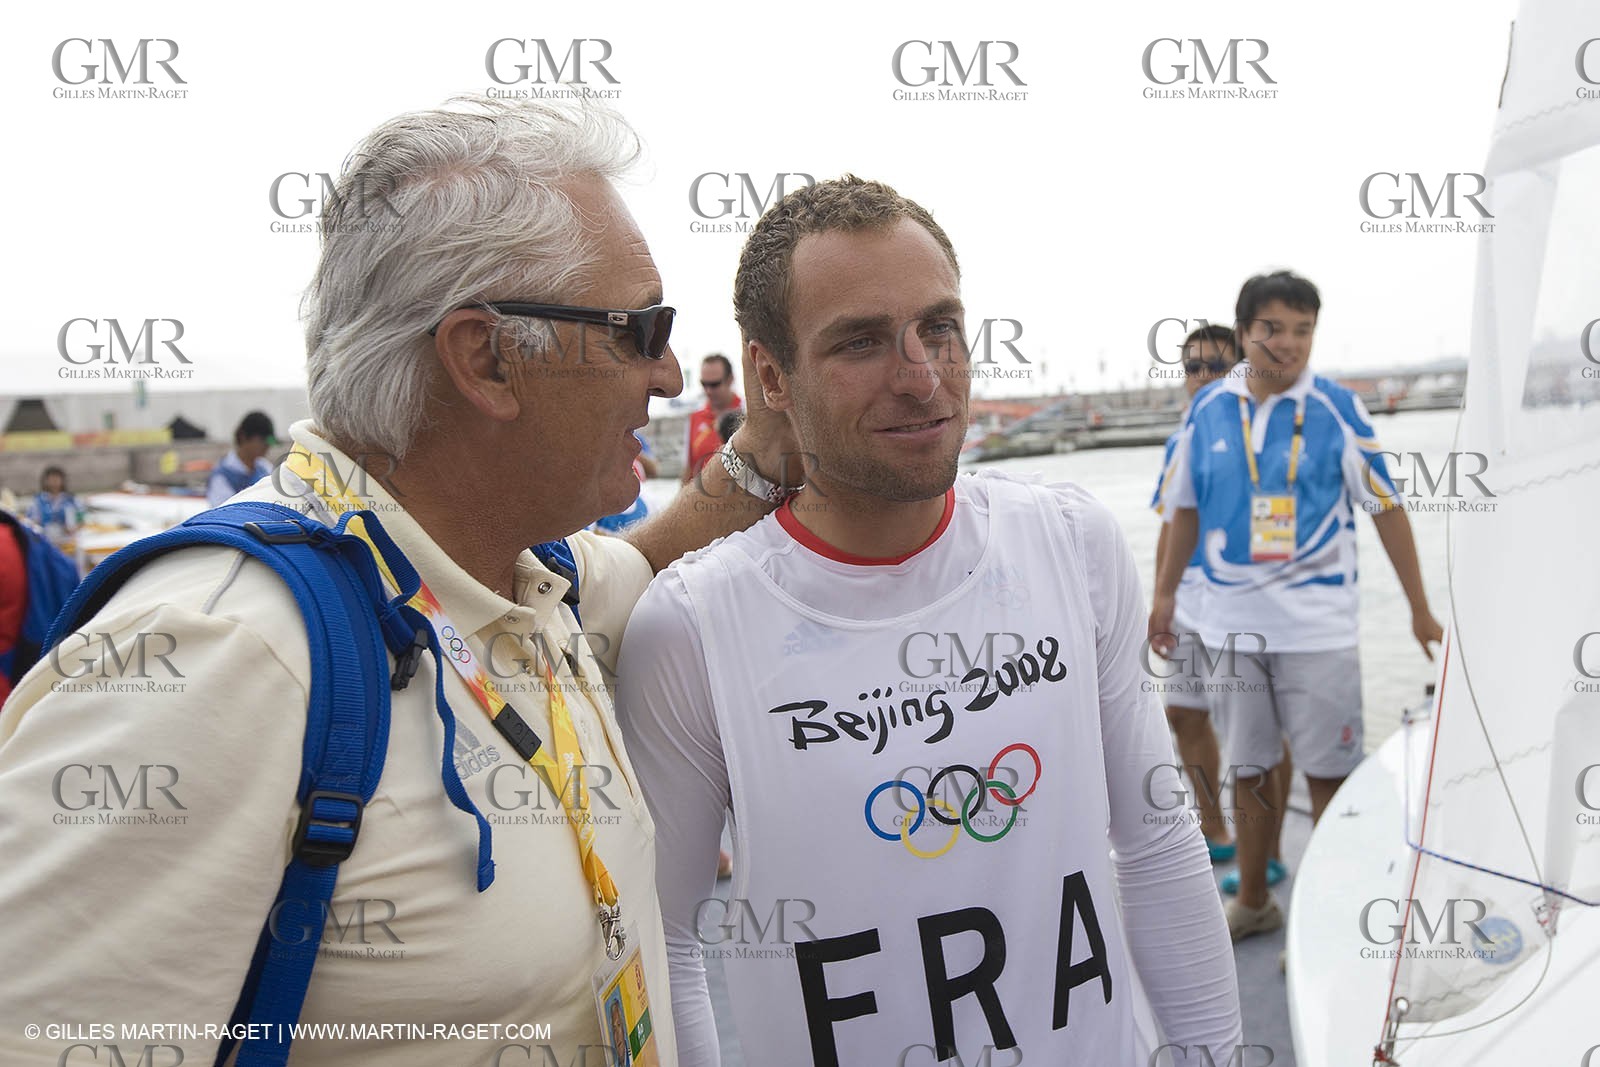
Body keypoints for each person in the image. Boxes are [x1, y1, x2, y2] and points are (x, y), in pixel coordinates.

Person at [0, 98, 799, 1066]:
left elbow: (638, 559)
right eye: (641, 328)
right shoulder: (222, 652)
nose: (668, 374)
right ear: (486, 358)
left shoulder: (512, 572)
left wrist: (768, 453)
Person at [618, 177, 1241, 1065]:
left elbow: (1154, 839)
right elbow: (669, 940)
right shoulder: (690, 626)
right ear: (770, 377)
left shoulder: (1072, 543)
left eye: (939, 327)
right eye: (862, 343)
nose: (921, 375)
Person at [1149, 270, 1443, 940]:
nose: (1289, 343)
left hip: (1319, 632)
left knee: (1329, 778)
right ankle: (1255, 901)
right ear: (1245, 331)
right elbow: (1183, 512)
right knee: (1248, 769)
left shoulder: (1339, 407)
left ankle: (1334, 926)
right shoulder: (1207, 410)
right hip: (1229, 630)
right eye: (1273, 329)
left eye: (1303, 330)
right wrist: (1164, 596)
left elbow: (1386, 509)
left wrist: (1419, 609)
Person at [1151, 324, 1240, 863]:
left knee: (1253, 726)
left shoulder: (1258, 431)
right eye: (1193, 367)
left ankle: (1262, 848)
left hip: (1238, 601)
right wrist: (1161, 597)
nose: (1203, 377)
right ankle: (1216, 832)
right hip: (1187, 599)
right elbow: (1170, 521)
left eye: (1216, 367)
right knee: (1183, 714)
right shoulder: (1181, 438)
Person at [679, 353, 743, 483]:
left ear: (730, 379)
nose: (708, 391)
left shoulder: (747, 413)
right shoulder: (694, 418)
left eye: (714, 384)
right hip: (703, 499)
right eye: (704, 384)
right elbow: (687, 470)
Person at [206, 410, 278, 506]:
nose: (267, 446)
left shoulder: (266, 468)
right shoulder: (222, 477)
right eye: (262, 441)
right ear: (244, 437)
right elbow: (223, 513)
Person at [25, 466, 80, 552]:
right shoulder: (38, 500)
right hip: (46, 541)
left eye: (57, 478)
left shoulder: (71, 500)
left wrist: (74, 528)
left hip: (67, 541)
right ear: (45, 481)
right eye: (51, 478)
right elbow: (32, 521)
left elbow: (81, 519)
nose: (54, 481)